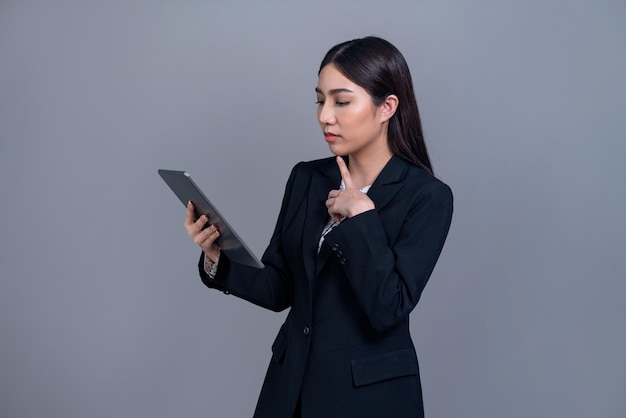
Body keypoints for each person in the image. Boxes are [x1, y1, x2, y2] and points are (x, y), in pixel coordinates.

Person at [184, 36, 453, 418]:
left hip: (367, 399)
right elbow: (280, 288)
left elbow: (387, 307)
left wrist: (362, 217)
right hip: (289, 389)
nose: (325, 115)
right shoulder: (307, 178)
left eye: (341, 101)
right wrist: (216, 257)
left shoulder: (427, 197)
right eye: (320, 100)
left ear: (386, 107)